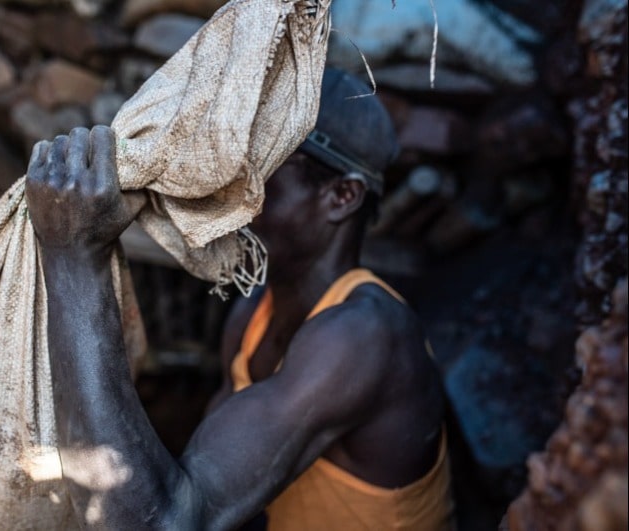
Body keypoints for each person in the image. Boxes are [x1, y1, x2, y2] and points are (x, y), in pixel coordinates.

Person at [25, 68, 455, 530]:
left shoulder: (363, 336)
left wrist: (72, 257)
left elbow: (165, 522)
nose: (225, 193)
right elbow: (210, 489)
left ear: (341, 197)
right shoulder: (254, 313)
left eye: (258, 173)